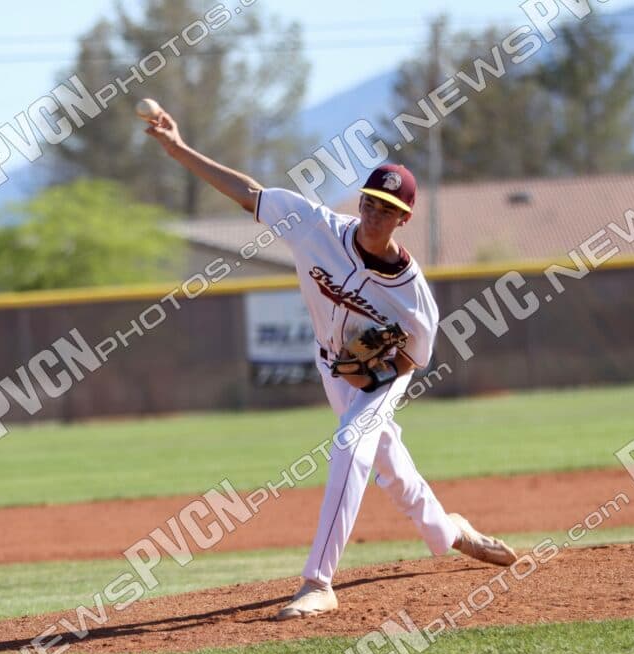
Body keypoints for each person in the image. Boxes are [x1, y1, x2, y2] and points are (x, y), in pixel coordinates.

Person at [145, 110, 517, 621]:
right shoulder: (316, 228)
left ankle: (318, 582)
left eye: (387, 209)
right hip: (330, 367)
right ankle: (450, 530)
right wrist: (178, 149)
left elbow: (415, 356)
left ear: (404, 219)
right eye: (369, 202)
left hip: (385, 375)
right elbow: (250, 194)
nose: (374, 215)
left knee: (350, 443)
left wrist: (373, 374)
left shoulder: (414, 297)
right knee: (390, 466)